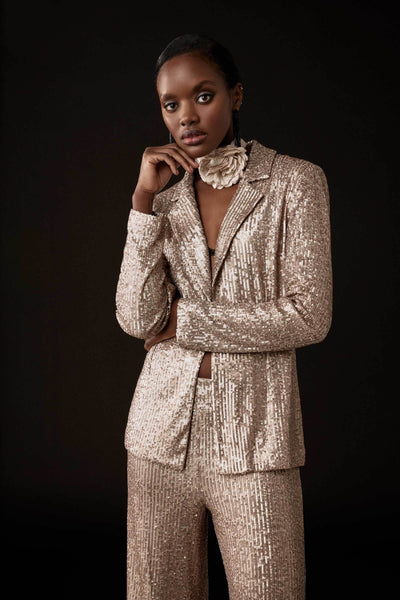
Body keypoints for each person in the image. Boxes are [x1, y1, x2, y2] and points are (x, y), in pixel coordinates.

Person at [115, 33, 332, 600]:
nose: (186, 115)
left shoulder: (295, 182)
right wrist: (142, 204)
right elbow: (137, 318)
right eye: (171, 104)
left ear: (235, 95)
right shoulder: (164, 198)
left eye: (203, 95)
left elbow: (309, 315)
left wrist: (184, 324)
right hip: (158, 437)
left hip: (257, 438)